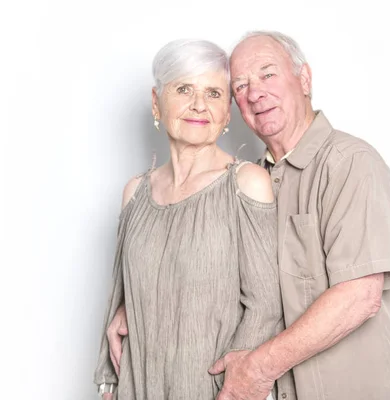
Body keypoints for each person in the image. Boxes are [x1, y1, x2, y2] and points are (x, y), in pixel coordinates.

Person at [108, 31, 390, 400]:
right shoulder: (254, 179)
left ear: (304, 79)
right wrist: (143, 303)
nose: (255, 92)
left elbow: (359, 296)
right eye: (241, 85)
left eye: (268, 74)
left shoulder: (350, 163)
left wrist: (257, 368)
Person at [93, 38, 284, 400]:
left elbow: (265, 305)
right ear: (156, 102)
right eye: (184, 89)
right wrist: (110, 386)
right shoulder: (134, 193)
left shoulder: (246, 184)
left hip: (213, 390)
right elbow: (119, 306)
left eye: (213, 93)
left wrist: (235, 385)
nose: (199, 105)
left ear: (227, 113)